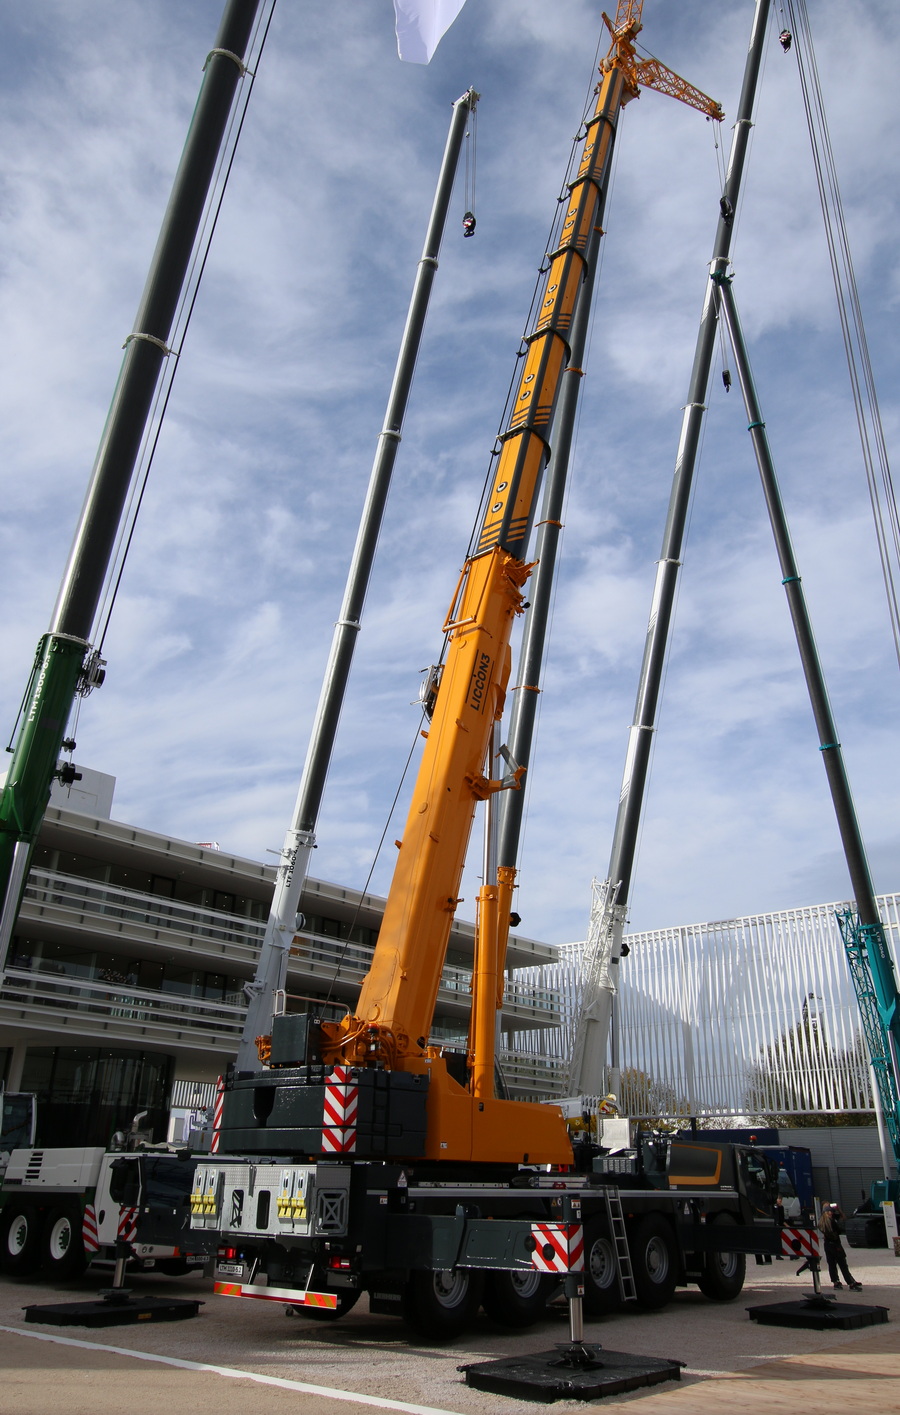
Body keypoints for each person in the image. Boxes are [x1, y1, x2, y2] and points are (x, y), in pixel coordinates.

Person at [819, 1203, 862, 1290]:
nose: (831, 1213)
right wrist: (838, 1209)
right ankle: (851, 1283)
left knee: (831, 1264)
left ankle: (836, 1282)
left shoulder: (822, 1222)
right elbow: (839, 1230)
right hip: (835, 1245)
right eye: (829, 1211)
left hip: (827, 1245)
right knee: (843, 1264)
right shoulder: (831, 1221)